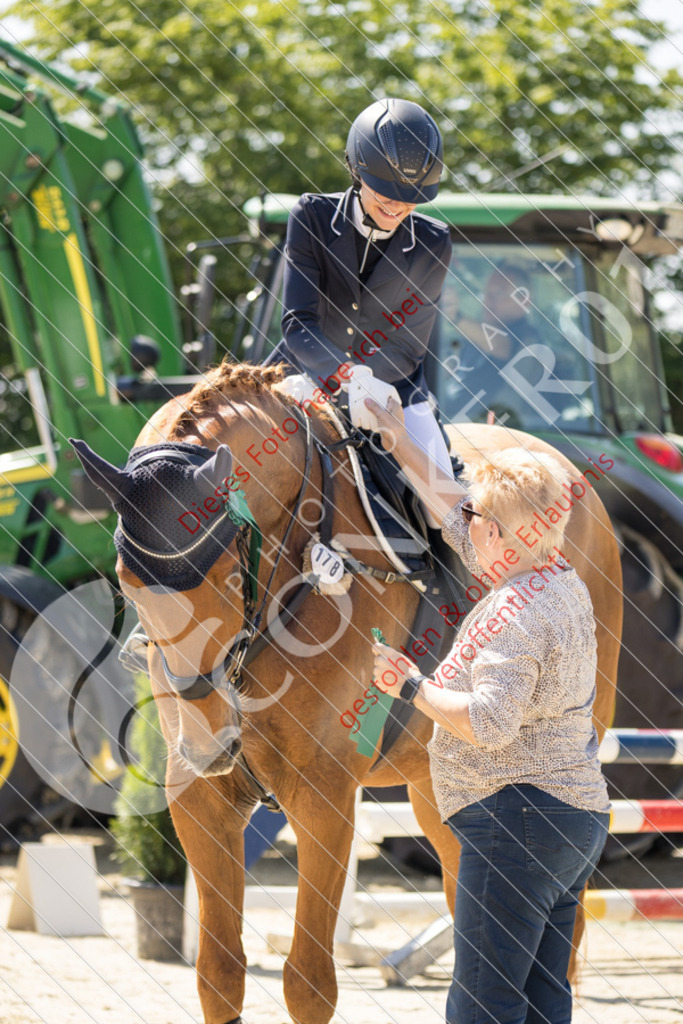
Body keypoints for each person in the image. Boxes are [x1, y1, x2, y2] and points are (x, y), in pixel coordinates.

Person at [365, 395, 610, 1024]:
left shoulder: (511, 612)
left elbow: (488, 723)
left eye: (478, 515)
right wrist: (396, 433)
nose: (464, 522)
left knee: (483, 1001)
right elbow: (450, 509)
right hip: (573, 821)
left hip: (515, 823)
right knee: (543, 997)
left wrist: (409, 683)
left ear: (498, 533)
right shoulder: (558, 579)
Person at [268, 97, 454, 492]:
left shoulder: (433, 243)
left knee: (445, 499)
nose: (398, 205)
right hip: (301, 373)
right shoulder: (312, 216)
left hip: (394, 391)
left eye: (411, 197)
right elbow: (298, 323)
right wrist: (343, 376)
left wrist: (367, 384)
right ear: (356, 169)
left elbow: (408, 347)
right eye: (386, 191)